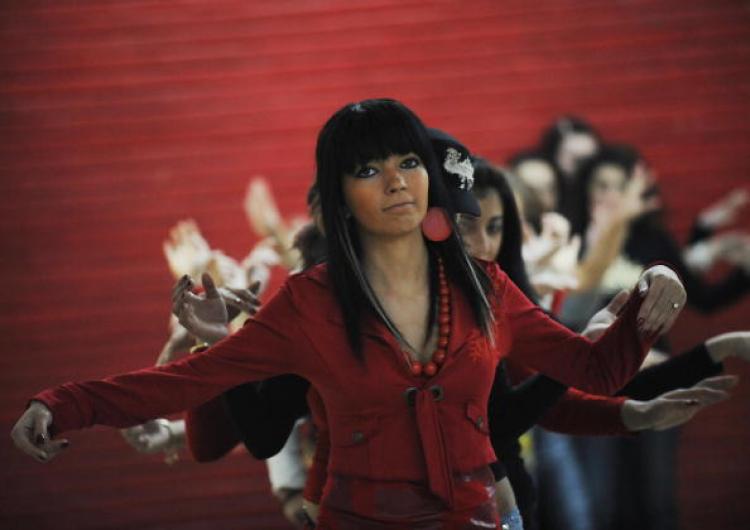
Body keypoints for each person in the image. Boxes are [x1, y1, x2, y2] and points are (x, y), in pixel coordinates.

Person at [12, 99, 683, 529]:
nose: (395, 181)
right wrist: (63, 403)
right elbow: (184, 386)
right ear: (338, 195)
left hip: (480, 518)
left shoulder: (485, 287)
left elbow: (597, 368)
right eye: (368, 170)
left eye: (409, 162)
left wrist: (651, 301)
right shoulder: (309, 303)